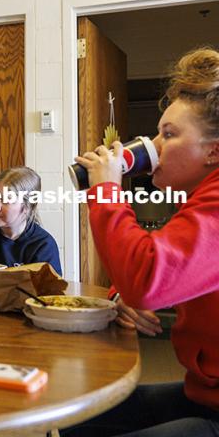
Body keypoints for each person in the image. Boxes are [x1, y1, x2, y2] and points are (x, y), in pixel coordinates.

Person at [63, 48, 219, 436]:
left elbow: (149, 276)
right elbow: (171, 266)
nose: (155, 147)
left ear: (214, 150)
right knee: (75, 418)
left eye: (169, 135)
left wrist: (105, 192)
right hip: (206, 392)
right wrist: (122, 297)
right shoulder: (202, 198)